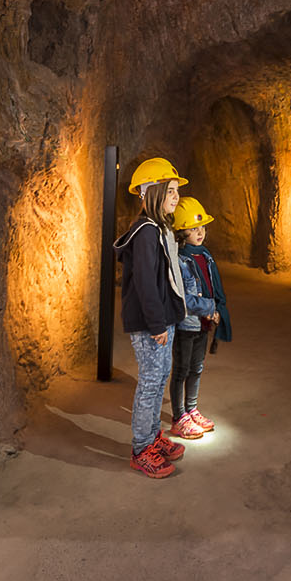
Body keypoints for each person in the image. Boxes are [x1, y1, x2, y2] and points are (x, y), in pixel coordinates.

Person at [113, 157, 190, 479]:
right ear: (153, 193)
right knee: (150, 383)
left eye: (176, 190)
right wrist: (157, 324)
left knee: (159, 379)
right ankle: (141, 449)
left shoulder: (159, 228)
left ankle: (153, 436)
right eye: (170, 190)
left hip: (161, 319)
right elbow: (145, 283)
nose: (176, 196)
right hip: (150, 324)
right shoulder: (145, 232)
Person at [169, 197, 226, 438]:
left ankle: (191, 409)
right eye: (193, 229)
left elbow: (211, 288)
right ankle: (179, 417)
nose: (200, 232)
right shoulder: (180, 261)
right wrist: (210, 308)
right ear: (181, 232)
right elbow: (183, 298)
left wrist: (215, 310)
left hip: (202, 324)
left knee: (197, 368)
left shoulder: (205, 256)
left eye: (202, 227)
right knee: (181, 370)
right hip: (187, 324)